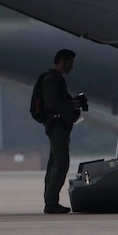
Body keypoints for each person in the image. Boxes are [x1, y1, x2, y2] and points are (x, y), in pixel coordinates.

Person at [35, 48, 87, 215]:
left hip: (58, 126)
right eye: (70, 63)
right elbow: (51, 104)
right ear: (62, 62)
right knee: (61, 163)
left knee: (54, 163)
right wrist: (72, 104)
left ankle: (50, 199)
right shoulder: (51, 80)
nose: (72, 66)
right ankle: (51, 202)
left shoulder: (57, 80)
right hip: (56, 126)